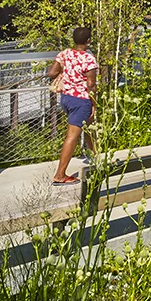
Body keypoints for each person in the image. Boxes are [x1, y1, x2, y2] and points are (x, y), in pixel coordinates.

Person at [48, 27, 98, 187]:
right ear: (88, 41)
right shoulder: (89, 59)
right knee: (73, 136)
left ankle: (97, 157)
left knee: (89, 127)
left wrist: (65, 74)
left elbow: (51, 72)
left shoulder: (65, 53)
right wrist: (94, 104)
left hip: (66, 98)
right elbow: (91, 84)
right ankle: (60, 175)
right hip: (80, 100)